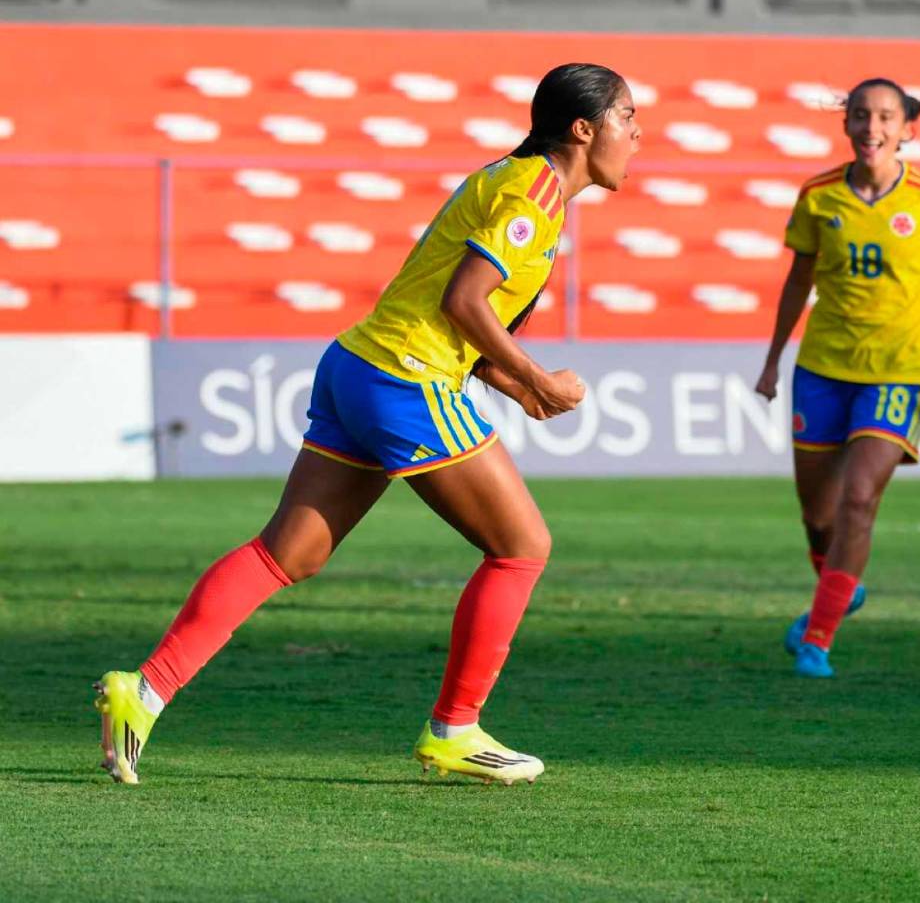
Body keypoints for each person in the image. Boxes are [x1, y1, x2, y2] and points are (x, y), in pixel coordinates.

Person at [94, 62, 641, 784]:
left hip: (358, 365)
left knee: (286, 554)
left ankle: (144, 691)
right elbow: (464, 302)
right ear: (583, 129)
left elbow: (456, 314)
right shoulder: (532, 194)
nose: (637, 135)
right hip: (405, 379)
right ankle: (455, 729)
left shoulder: (518, 185)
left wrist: (513, 386)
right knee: (521, 547)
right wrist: (538, 377)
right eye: (627, 117)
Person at [755, 77, 920, 678]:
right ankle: (840, 586)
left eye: (884, 117)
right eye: (860, 115)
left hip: (900, 371)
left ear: (907, 129)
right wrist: (772, 360)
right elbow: (798, 281)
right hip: (823, 368)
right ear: (846, 123)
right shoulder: (819, 195)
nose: (871, 127)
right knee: (818, 517)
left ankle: (818, 638)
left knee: (858, 499)